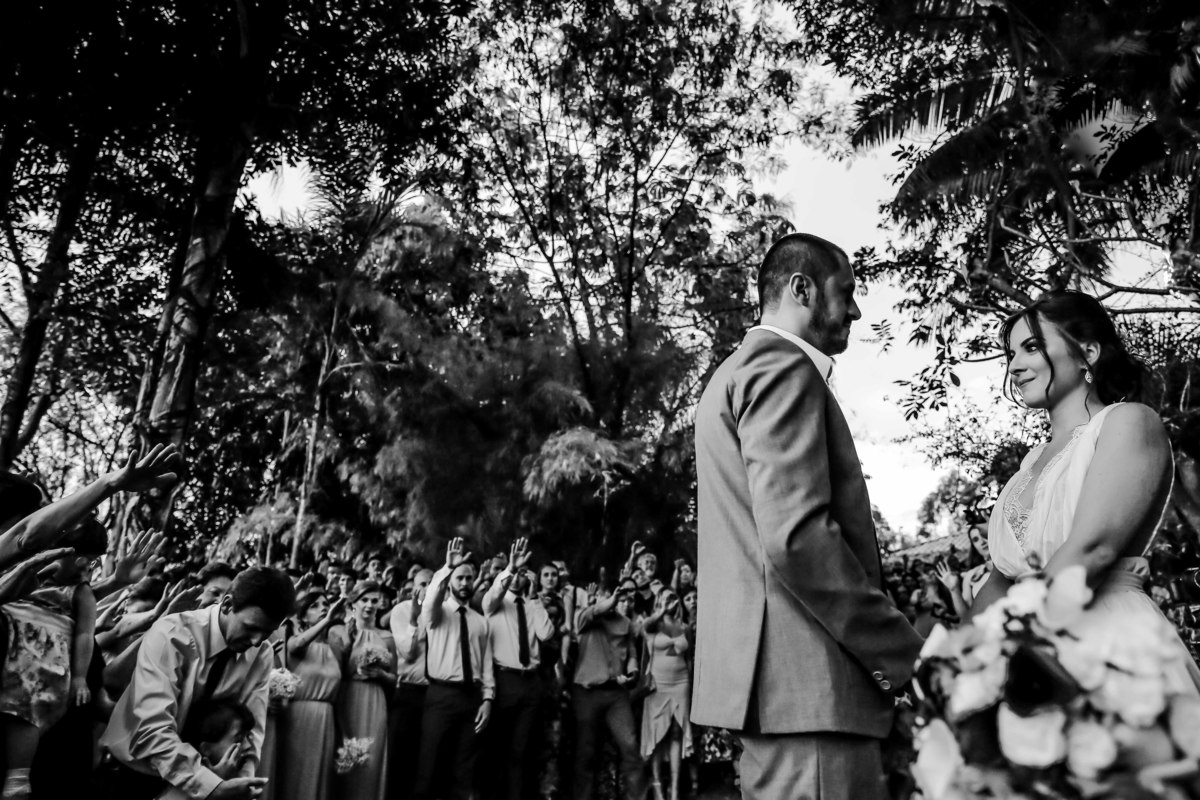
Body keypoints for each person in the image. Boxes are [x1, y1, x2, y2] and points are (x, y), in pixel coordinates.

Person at [693, 233, 923, 800]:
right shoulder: (782, 367)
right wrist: (902, 654)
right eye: (845, 291)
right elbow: (797, 539)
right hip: (812, 688)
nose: (855, 308)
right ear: (802, 289)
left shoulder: (732, 373)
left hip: (775, 690)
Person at [970, 290, 1200, 691]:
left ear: (1087, 353)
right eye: (1011, 354)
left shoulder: (1128, 423)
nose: (1015, 366)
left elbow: (1093, 550)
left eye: (1031, 348)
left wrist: (1013, 652)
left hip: (1110, 645)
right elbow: (1000, 579)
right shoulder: (1027, 466)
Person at [99, 566, 295, 800]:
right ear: (227, 605)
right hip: (137, 772)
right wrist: (209, 786)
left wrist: (242, 781)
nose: (256, 641)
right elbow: (153, 727)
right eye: (251, 628)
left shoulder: (261, 654)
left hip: (206, 775)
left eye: (266, 633)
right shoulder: (172, 633)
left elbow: (251, 729)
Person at [0, 519, 104, 800]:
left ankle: (18, 776)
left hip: (44, 651)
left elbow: (84, 634)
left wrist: (80, 676)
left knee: (29, 696)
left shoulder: (81, 592)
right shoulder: (29, 567)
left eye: (93, 562)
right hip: (9, 625)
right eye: (83, 559)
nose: (86, 567)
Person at [414, 538, 494, 800]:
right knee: (430, 764)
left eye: (469, 578)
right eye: (459, 578)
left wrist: (487, 698)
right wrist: (447, 568)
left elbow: (486, 664)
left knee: (465, 769)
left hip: (471, 698)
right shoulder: (437, 614)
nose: (464, 583)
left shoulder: (480, 622)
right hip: (441, 696)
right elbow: (430, 600)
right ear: (449, 582)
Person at [480, 539, 556, 800]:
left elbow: (546, 634)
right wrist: (510, 568)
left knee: (522, 751)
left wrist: (535, 598)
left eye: (522, 572)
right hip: (505, 680)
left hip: (531, 683)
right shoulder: (495, 603)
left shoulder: (531, 604)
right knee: (497, 748)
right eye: (514, 573)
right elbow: (492, 595)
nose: (517, 577)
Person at [571, 577, 648, 800]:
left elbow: (632, 654)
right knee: (585, 753)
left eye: (625, 599)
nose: (621, 602)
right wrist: (611, 600)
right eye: (617, 597)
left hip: (616, 695)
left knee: (630, 748)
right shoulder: (586, 617)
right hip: (587, 692)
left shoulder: (626, 624)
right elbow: (595, 611)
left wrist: (632, 673)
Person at [277, 591, 345, 800]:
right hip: (299, 716)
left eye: (325, 604)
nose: (324, 607)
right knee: (297, 773)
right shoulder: (297, 643)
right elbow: (297, 645)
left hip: (326, 718)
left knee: (320, 775)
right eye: (315, 605)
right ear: (303, 616)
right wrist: (327, 621)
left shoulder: (334, 647)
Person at [332, 580, 396, 800]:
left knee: (372, 759)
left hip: (375, 701)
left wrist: (380, 674)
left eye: (374, 600)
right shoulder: (340, 632)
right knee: (346, 758)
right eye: (365, 600)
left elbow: (395, 678)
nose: (369, 605)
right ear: (354, 604)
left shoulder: (387, 637)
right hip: (348, 698)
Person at [639, 590, 693, 800]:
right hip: (658, 684)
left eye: (673, 598)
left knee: (676, 732)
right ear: (659, 602)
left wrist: (691, 682)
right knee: (657, 735)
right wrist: (661, 611)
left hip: (681, 684)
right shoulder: (652, 626)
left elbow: (687, 657)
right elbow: (644, 627)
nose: (671, 601)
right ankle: (658, 785)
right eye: (666, 598)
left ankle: (675, 790)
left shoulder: (684, 627)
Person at [386, 568, 432, 800]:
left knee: (425, 760)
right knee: (400, 757)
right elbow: (408, 652)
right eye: (423, 584)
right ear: (414, 587)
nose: (427, 589)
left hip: (436, 693)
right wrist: (415, 618)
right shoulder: (401, 611)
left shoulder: (446, 612)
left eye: (432, 584)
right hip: (408, 691)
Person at [156, 700, 258, 800]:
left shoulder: (242, 790)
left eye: (248, 737)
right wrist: (214, 783)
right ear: (206, 748)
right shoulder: (177, 792)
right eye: (239, 739)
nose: (248, 746)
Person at [934, 525, 991, 619]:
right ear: (974, 546)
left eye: (985, 535)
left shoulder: (1013, 561)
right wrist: (954, 589)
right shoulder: (971, 576)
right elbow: (965, 615)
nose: (982, 542)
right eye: (976, 539)